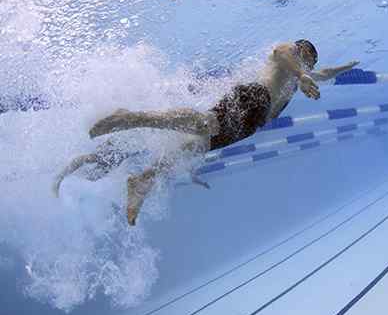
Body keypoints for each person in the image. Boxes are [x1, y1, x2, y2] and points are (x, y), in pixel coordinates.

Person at [87, 40, 358, 226]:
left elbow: (323, 73)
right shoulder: (290, 54)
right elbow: (281, 53)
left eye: (310, 63)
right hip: (254, 96)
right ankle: (130, 117)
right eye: (308, 58)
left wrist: (346, 66)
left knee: (195, 146)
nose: (309, 65)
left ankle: (144, 179)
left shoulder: (302, 77)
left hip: (251, 124)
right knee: (206, 124)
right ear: (302, 49)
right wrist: (301, 74)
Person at [52, 139, 209, 199]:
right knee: (95, 160)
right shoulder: (178, 141)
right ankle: (60, 176)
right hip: (121, 144)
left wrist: (197, 180)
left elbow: (184, 164)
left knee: (96, 174)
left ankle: (66, 176)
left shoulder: (179, 144)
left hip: (125, 148)